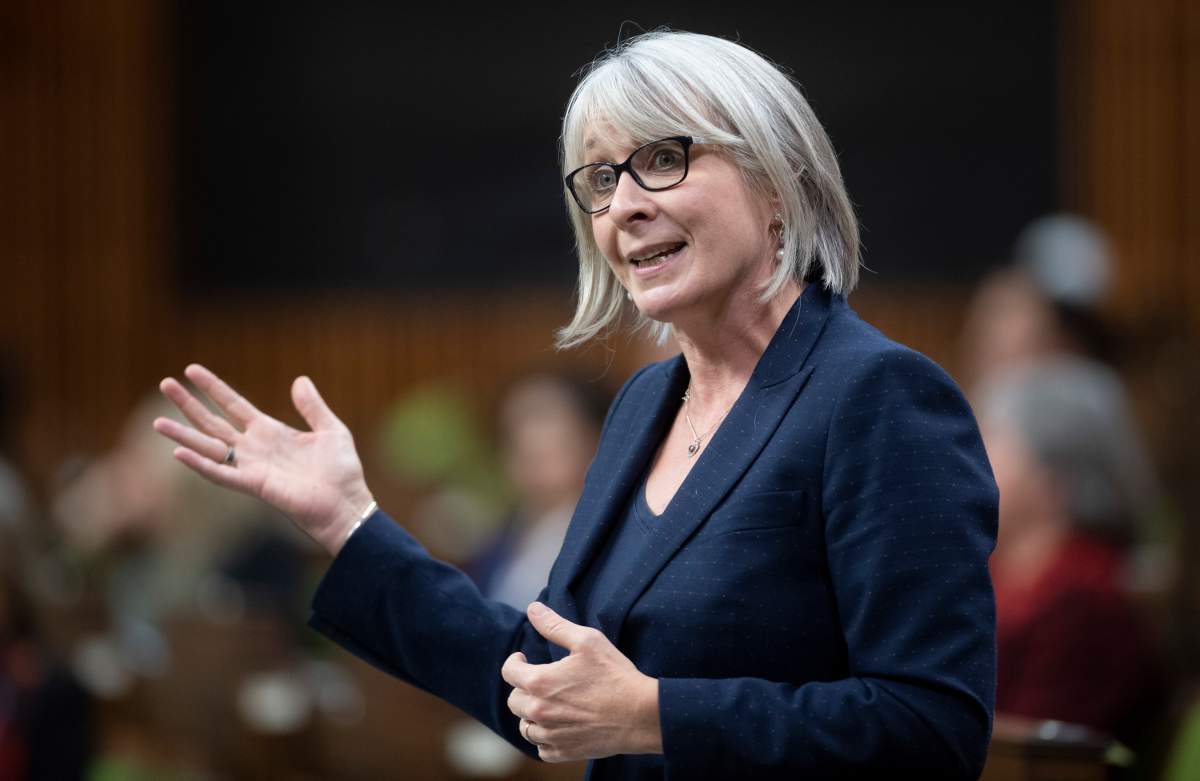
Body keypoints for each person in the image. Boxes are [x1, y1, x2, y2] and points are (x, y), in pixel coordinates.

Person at [154, 31, 998, 779]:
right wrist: (349, 520)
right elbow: (542, 678)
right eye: (601, 178)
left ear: (779, 182)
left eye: (664, 158)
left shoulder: (876, 396)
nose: (625, 204)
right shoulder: (643, 406)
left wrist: (654, 716)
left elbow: (932, 729)